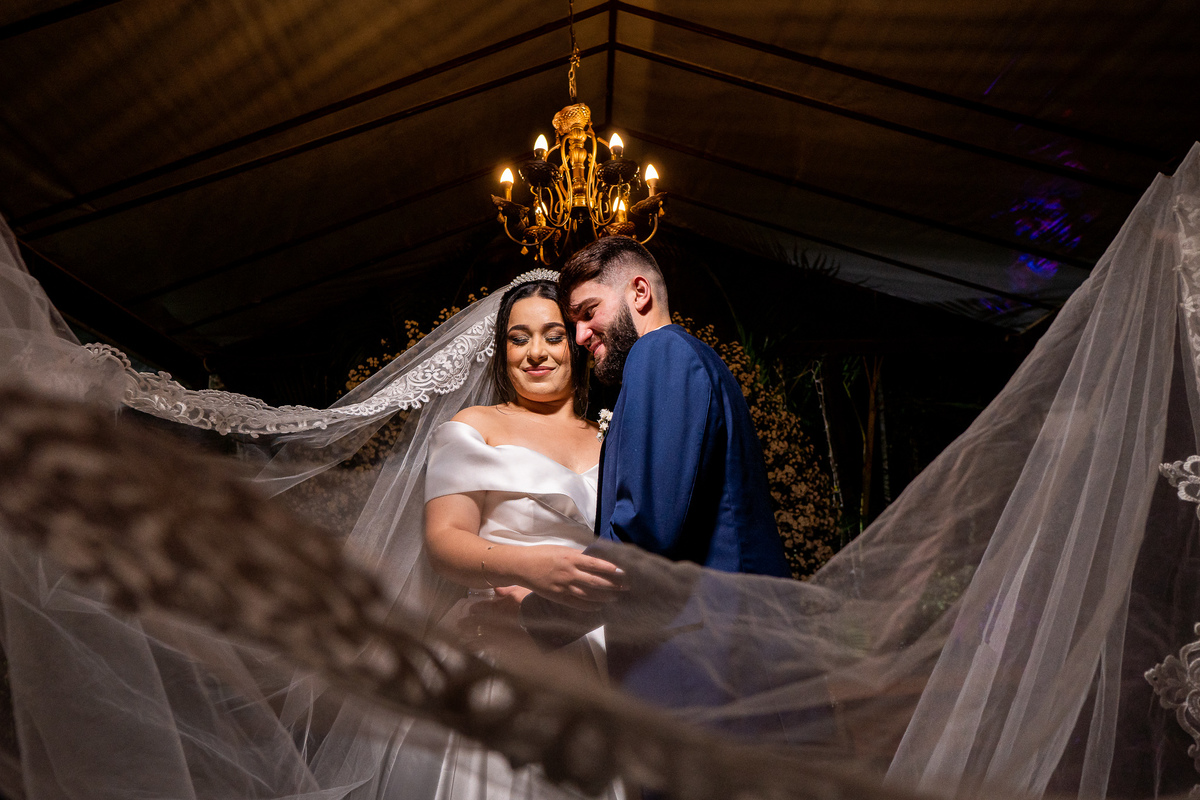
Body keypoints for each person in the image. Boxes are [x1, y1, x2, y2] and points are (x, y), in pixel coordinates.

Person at [417, 275, 626, 799]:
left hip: (601, 645)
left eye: (553, 336)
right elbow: (444, 541)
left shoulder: (616, 433)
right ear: (502, 350)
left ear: (577, 344)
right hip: (505, 639)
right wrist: (531, 568)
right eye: (519, 338)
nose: (536, 353)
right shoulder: (476, 426)